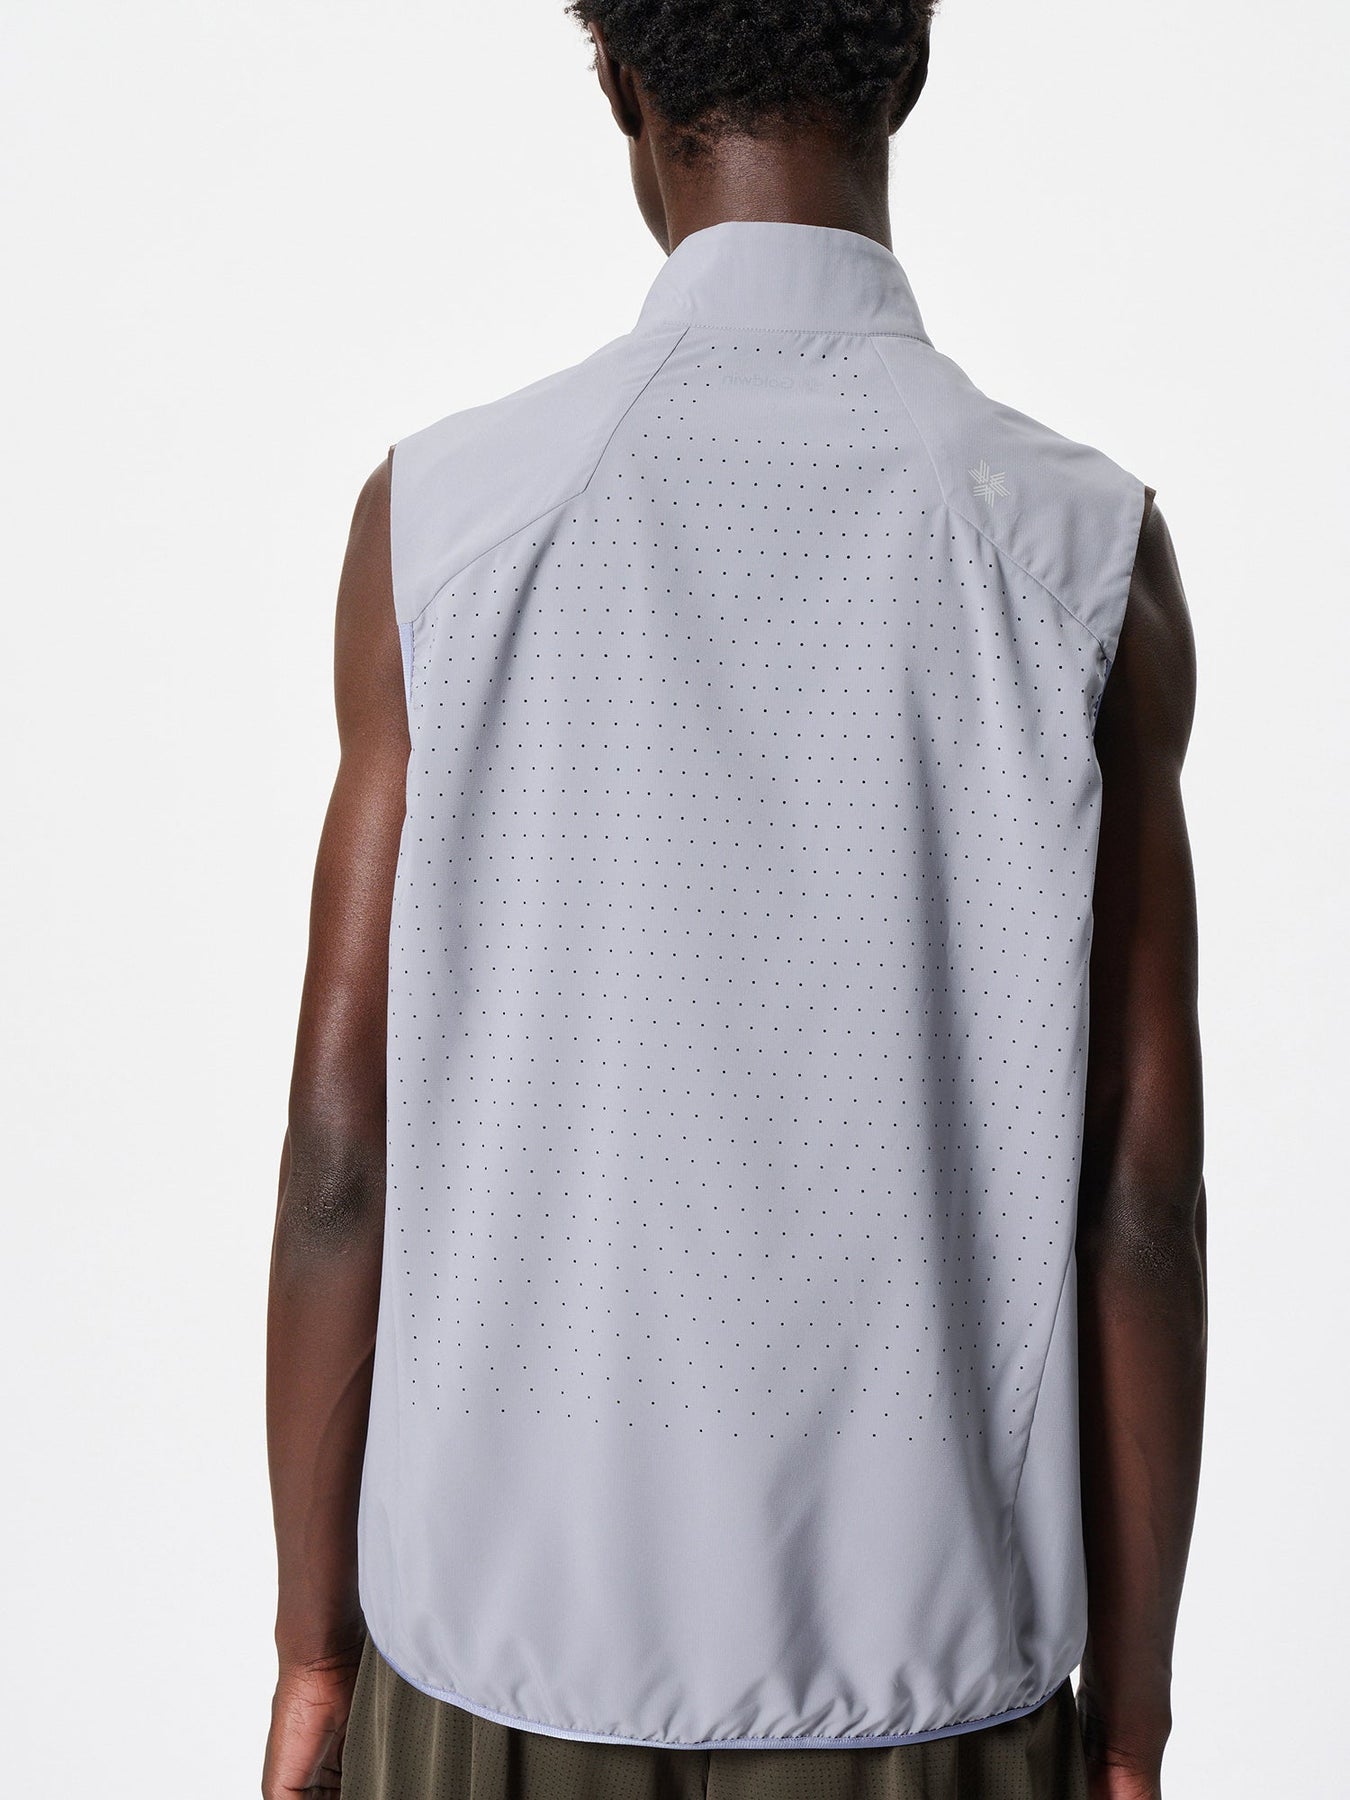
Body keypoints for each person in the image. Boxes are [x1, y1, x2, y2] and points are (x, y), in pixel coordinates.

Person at [262, 3, 1207, 1797]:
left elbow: (338, 1155)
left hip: (492, 1665)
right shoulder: (1082, 549)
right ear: (907, 71)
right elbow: (1139, 1199)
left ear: (623, 85)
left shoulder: (439, 522)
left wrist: (316, 1647)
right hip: (931, 1675)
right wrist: (1133, 1717)